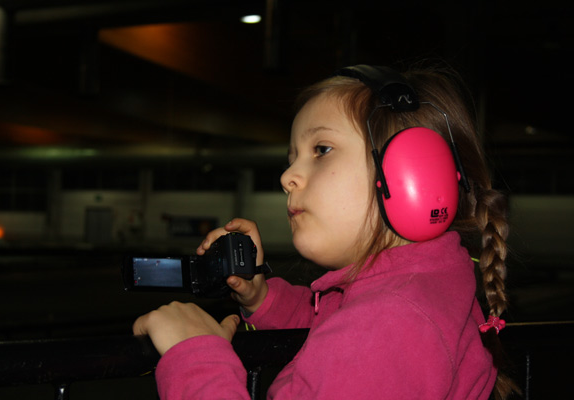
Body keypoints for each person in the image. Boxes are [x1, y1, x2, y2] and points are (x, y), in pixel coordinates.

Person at [133, 63, 516, 399]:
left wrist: (196, 356)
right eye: (292, 158)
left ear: (412, 171)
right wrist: (261, 297)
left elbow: (357, 338)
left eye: (321, 149)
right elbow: (331, 326)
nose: (287, 176)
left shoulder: (388, 323)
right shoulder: (415, 291)